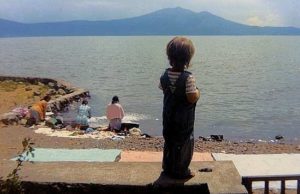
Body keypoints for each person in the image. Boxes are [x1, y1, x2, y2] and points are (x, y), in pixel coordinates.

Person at [159, 36, 200, 179]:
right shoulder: (189, 78)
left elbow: (163, 88)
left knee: (169, 140)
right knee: (184, 144)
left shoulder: (164, 75)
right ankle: (182, 170)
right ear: (188, 60)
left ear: (169, 57)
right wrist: (198, 93)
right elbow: (191, 97)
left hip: (168, 117)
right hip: (184, 120)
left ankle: (168, 166)